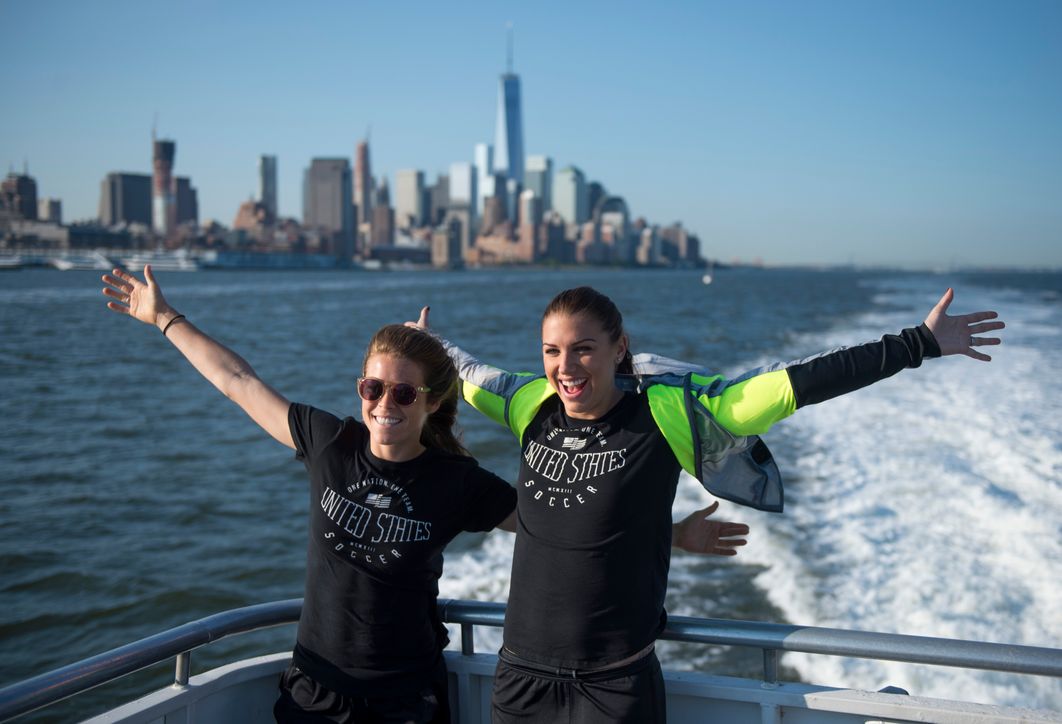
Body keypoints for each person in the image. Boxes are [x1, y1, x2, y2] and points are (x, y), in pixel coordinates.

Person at [101, 268, 750, 724]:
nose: (384, 404)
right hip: (314, 693)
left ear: (432, 401)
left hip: (406, 700)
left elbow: (564, 525)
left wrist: (672, 534)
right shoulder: (331, 444)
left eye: (404, 392)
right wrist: (165, 319)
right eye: (372, 388)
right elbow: (238, 381)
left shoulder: (454, 481)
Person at [410, 285, 1004, 724]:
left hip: (614, 687)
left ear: (621, 349)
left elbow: (798, 382)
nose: (565, 368)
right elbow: (464, 372)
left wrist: (918, 343)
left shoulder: (672, 416)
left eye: (583, 350)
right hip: (520, 676)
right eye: (551, 351)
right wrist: (427, 342)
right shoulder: (529, 405)